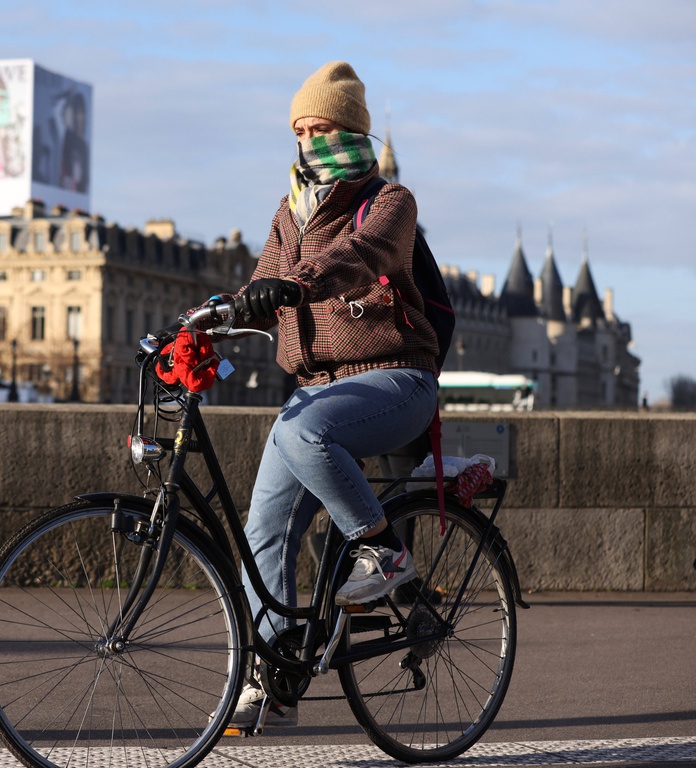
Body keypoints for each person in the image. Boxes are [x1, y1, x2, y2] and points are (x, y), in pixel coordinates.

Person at [221, 61, 440, 727]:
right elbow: (260, 286)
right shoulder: (288, 212)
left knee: (298, 431)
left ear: (349, 129)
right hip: (316, 389)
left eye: (319, 127)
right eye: (298, 129)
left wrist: (306, 278)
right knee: (262, 528)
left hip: (397, 379)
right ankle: (275, 672)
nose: (307, 139)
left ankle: (383, 549)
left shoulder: (390, 201)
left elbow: (367, 254)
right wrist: (213, 319)